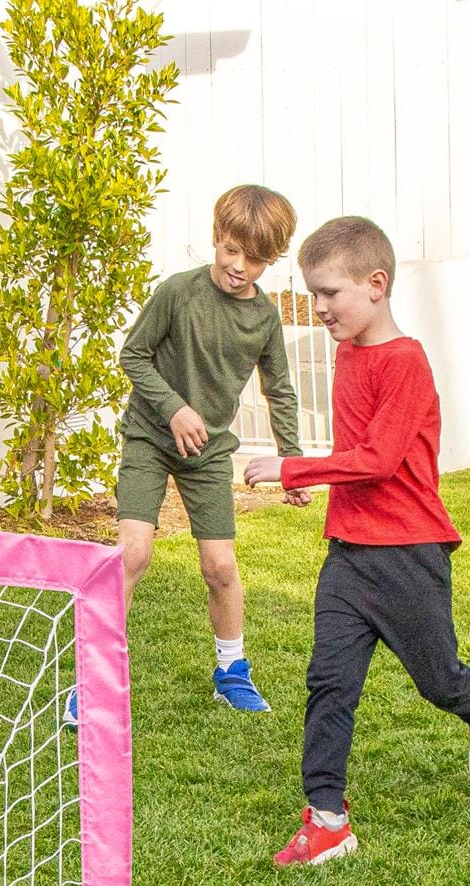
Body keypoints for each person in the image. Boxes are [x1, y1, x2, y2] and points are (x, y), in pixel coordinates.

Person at [243, 215, 470, 865]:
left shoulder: (406, 361)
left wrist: (293, 467)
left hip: (410, 554)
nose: (320, 308)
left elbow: (380, 459)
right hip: (348, 554)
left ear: (376, 283)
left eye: (329, 294)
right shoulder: (347, 352)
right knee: (329, 679)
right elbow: (354, 452)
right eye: (313, 295)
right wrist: (314, 482)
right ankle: (327, 817)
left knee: (438, 679)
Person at [117, 183, 311, 712]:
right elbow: (133, 356)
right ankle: (94, 676)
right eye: (231, 250)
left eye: (254, 259)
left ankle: (232, 671)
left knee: (221, 567)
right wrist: (174, 408)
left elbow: (280, 389)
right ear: (215, 239)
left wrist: (290, 463)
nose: (238, 266)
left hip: (207, 452)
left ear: (272, 259)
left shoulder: (265, 318)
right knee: (132, 554)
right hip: (150, 438)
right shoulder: (177, 292)